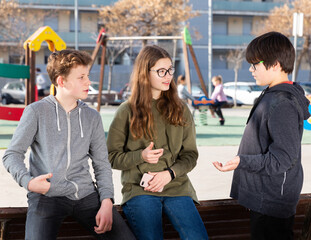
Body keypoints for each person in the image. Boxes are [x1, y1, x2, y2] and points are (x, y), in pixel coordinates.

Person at [2, 49, 135, 240]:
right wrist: (28, 182)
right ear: (61, 81)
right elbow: (12, 154)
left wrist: (107, 201)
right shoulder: (36, 112)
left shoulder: (92, 117)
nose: (88, 82)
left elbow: (101, 163)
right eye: (81, 77)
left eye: (87, 76)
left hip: (86, 196)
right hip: (46, 195)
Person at [212, 32, 311, 240]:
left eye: (255, 64)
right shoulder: (272, 95)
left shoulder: (282, 103)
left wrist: (242, 161)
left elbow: (282, 158)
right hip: (265, 198)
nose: (251, 69)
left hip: (272, 201)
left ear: (274, 64)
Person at [107, 45, 208, 240]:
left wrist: (169, 174)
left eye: (170, 70)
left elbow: (190, 155)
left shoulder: (181, 109)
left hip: (177, 187)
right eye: (161, 71)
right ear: (145, 73)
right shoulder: (126, 111)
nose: (168, 75)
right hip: (139, 189)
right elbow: (111, 157)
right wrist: (140, 156)